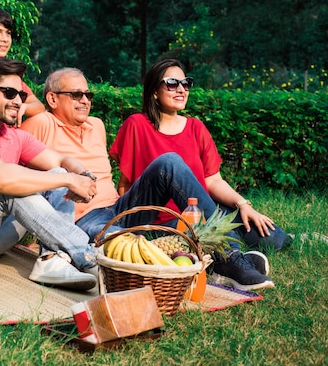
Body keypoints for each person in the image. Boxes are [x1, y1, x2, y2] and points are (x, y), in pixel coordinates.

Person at [20, 67, 279, 291]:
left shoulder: (96, 125)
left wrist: (242, 202)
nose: (85, 100)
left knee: (170, 161)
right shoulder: (41, 123)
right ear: (52, 99)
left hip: (119, 208)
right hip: (82, 221)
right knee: (138, 250)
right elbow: (16, 174)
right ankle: (224, 265)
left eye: (88, 95)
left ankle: (230, 257)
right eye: (76, 95)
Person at [108, 59, 291, 288]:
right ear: (154, 91)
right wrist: (130, 230)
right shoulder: (137, 124)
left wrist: (243, 204)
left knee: (265, 233)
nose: (182, 89)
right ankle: (231, 261)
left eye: (186, 83)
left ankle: (290, 240)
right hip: (166, 222)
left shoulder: (196, 128)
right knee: (207, 232)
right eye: (172, 83)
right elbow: (126, 184)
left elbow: (213, 180)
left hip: (203, 212)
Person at [0, 58, 99, 291]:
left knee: (57, 173)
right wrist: (69, 179)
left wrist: (83, 175)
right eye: (9, 93)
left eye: (21, 95)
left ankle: (55, 260)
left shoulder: (12, 135)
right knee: (7, 188)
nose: (18, 102)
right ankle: (87, 256)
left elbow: (60, 161)